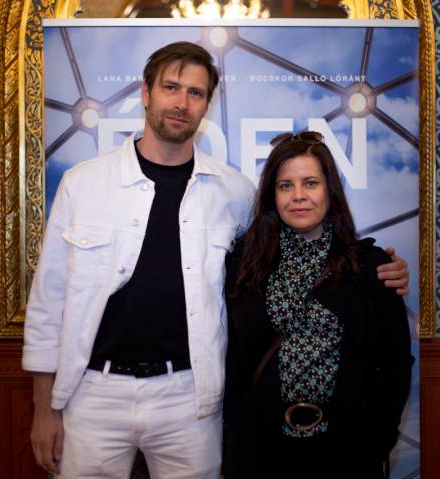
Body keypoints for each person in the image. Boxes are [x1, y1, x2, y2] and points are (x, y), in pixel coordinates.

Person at [23, 41, 410, 479]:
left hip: (189, 398)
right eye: (171, 87)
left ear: (207, 105)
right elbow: (48, 304)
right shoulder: (83, 184)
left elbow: (281, 256)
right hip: (93, 392)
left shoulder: (234, 192)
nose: (181, 102)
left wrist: (383, 270)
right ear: (146, 93)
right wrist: (44, 407)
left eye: (195, 92)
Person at [223, 131, 414, 479]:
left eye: (310, 183)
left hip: (347, 452)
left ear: (330, 190)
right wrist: (235, 448)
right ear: (272, 195)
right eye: (285, 186)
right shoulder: (245, 265)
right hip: (264, 452)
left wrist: (376, 442)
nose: (298, 196)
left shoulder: (370, 266)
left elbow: (395, 363)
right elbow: (234, 362)